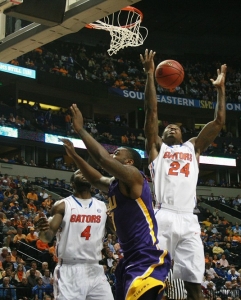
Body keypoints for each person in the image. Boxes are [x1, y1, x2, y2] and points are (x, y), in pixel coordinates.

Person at [140, 49, 227, 300]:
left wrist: (221, 90)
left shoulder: (193, 147)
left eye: (176, 127)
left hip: (189, 220)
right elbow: (151, 113)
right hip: (163, 215)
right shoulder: (157, 148)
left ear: (183, 133)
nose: (171, 127)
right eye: (168, 127)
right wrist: (149, 74)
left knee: (193, 285)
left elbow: (219, 122)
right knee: (152, 279)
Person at [61, 103, 171, 300]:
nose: (113, 155)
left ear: (129, 162)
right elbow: (95, 179)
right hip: (128, 259)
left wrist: (80, 130)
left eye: (117, 153)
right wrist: (76, 157)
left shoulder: (135, 176)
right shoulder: (115, 184)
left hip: (146, 256)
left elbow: (103, 160)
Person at [36, 168, 114, 300]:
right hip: (69, 267)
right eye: (79, 173)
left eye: (85, 172)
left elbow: (117, 232)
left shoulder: (103, 207)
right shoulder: (62, 205)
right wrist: (41, 230)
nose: (83, 173)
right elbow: (47, 237)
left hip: (95, 267)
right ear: (72, 183)